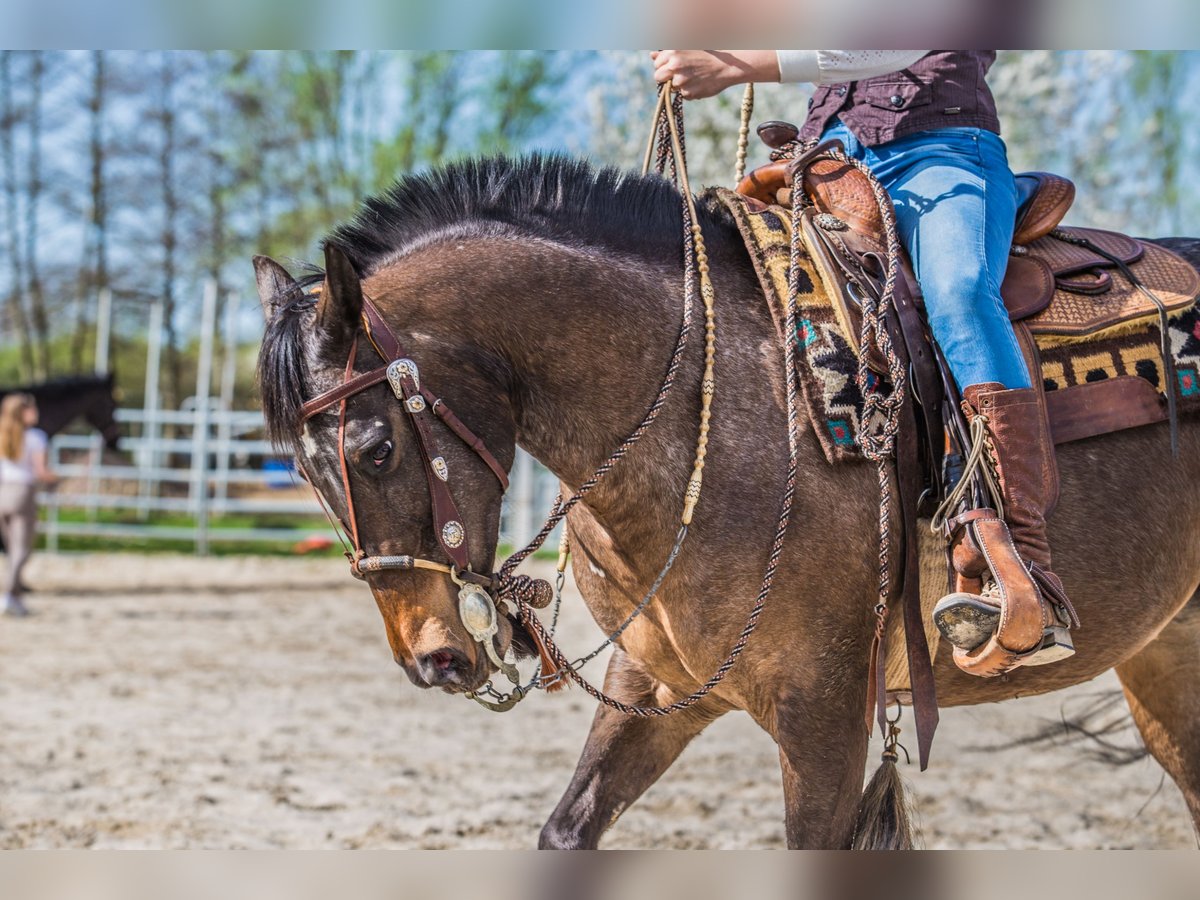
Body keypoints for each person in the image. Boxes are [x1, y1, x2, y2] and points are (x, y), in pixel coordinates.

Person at [650, 50, 1074, 672]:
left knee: (958, 294)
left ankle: (1023, 559)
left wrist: (738, 66)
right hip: (820, 166)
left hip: (942, 155)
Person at [0, 393, 57, 617]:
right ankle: (9, 595)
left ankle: (15, 598)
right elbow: (41, 472)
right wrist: (56, 478)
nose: (36, 413)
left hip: (2, 492)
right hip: (22, 493)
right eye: (32, 409)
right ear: (23, 412)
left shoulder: (3, 434)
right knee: (21, 550)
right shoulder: (35, 437)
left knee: (12, 549)